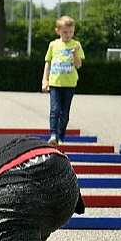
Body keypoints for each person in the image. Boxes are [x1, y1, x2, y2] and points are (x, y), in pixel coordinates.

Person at [41, 15, 84, 145]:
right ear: (58, 31)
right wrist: (45, 80)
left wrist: (75, 54)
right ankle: (53, 134)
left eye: (71, 32)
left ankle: (61, 136)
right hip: (55, 83)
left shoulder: (76, 45)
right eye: (65, 32)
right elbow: (48, 63)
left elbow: (78, 65)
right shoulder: (53, 45)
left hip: (69, 84)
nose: (68, 35)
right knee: (55, 109)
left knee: (64, 112)